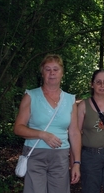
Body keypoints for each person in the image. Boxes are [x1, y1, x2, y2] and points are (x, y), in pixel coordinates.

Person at [13, 54, 81, 193]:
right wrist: (42, 134)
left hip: (60, 157)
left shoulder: (70, 100)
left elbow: (74, 132)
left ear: (62, 73)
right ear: (42, 73)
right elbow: (18, 128)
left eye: (56, 69)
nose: (52, 73)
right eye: (47, 69)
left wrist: (76, 163)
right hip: (35, 155)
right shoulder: (31, 96)